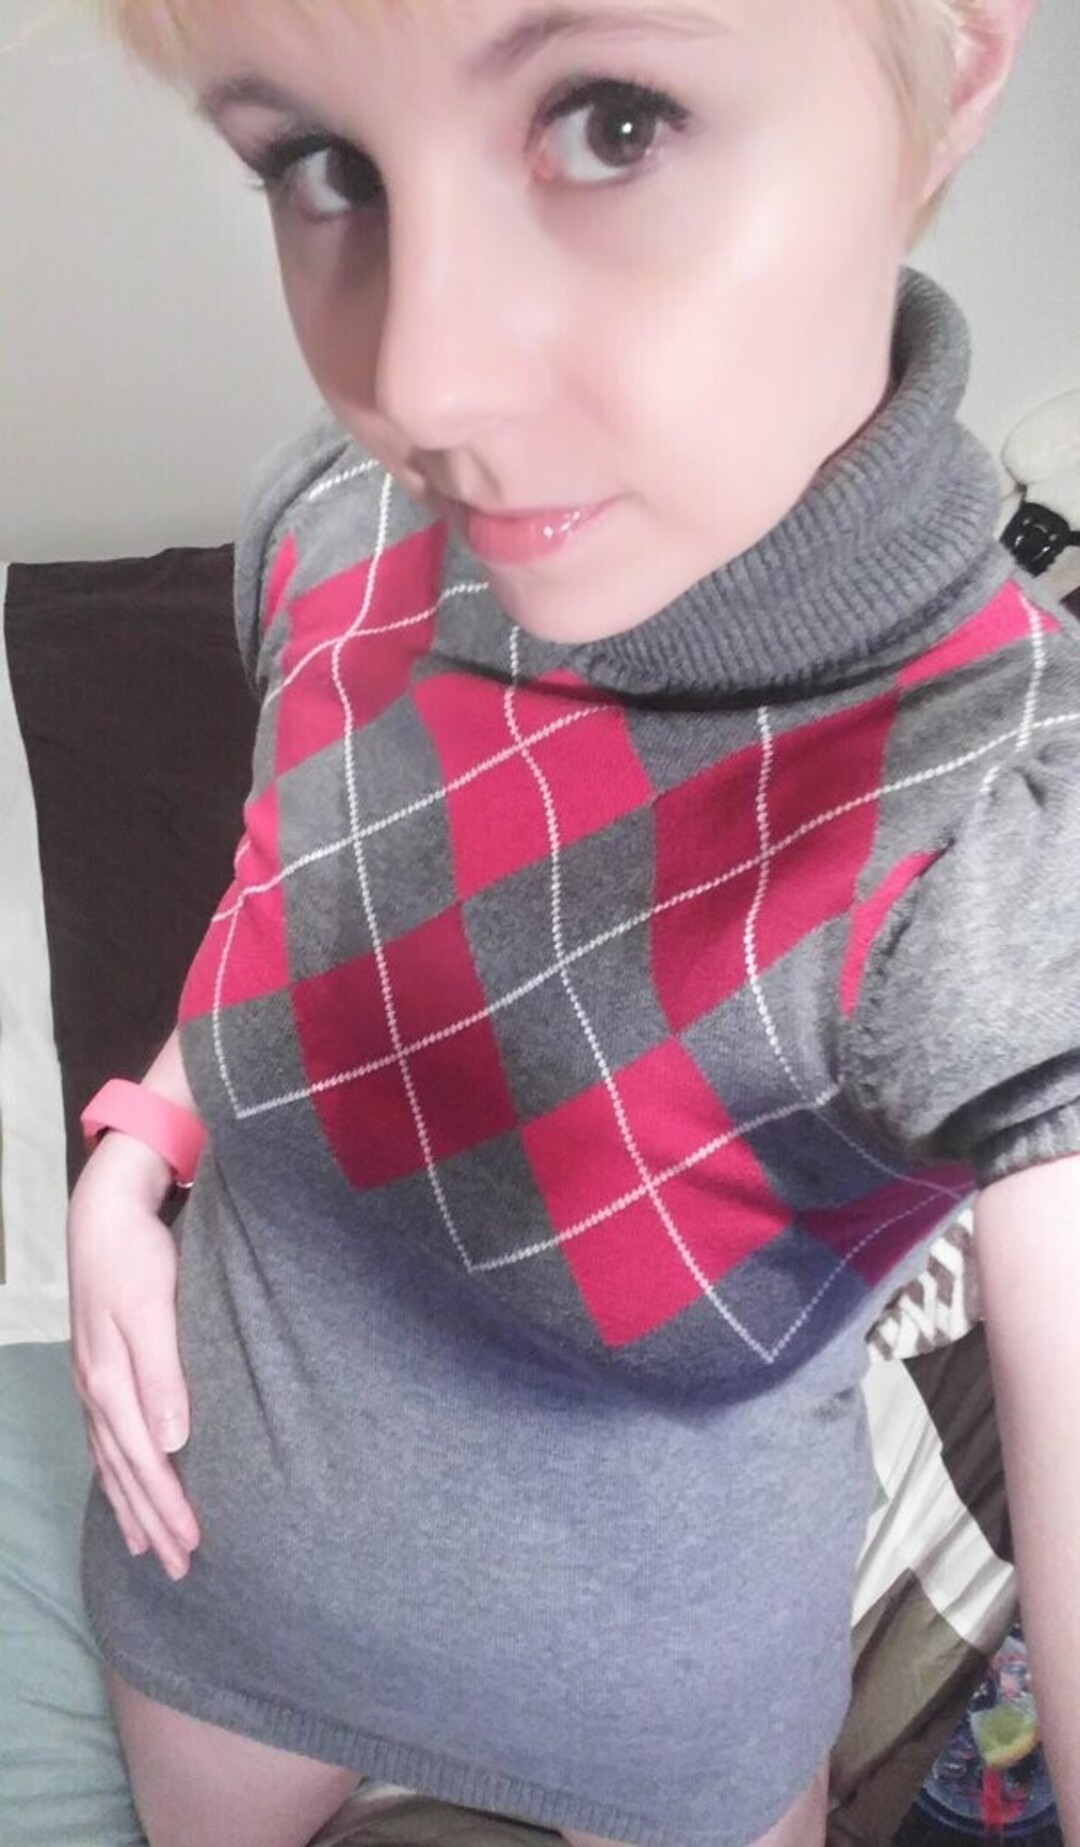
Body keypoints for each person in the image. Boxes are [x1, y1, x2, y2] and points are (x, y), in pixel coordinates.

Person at [68, 2, 1080, 1844]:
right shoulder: (329, 515)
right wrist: (144, 1141)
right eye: (323, 162)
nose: (423, 387)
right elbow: (303, 877)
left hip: (664, 1723)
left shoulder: (1009, 825)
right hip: (219, 1577)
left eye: (614, 121)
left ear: (951, 64)